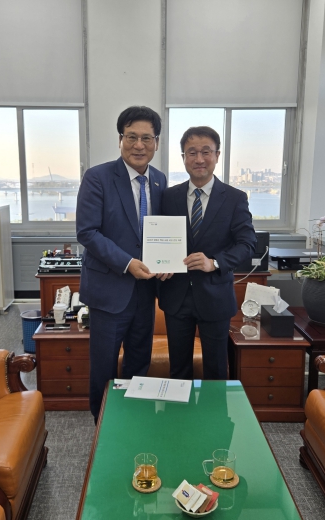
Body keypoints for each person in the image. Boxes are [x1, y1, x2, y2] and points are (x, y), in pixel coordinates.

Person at [76, 106, 167, 421]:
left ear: (156, 143)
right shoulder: (98, 177)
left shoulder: (159, 181)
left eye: (146, 138)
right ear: (120, 140)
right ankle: (103, 424)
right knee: (104, 365)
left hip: (145, 291)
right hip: (109, 290)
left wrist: (168, 259)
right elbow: (87, 232)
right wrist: (127, 263)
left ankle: (133, 421)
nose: (139, 145)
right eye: (131, 137)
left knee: (139, 362)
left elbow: (163, 232)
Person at [159, 126, 257, 380]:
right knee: (178, 371)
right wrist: (159, 261)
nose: (199, 159)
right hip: (176, 296)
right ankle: (180, 408)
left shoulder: (235, 198)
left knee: (216, 370)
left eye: (206, 152)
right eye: (192, 153)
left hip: (215, 296)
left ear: (217, 155)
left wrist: (214, 262)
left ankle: (215, 409)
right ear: (183, 157)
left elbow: (247, 244)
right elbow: (158, 237)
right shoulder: (168, 197)